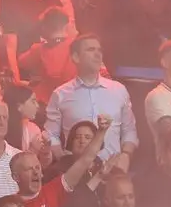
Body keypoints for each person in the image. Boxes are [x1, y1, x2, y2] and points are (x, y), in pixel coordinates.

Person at [44, 35, 137, 172]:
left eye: (99, 50)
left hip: (112, 171)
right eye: (91, 49)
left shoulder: (119, 90)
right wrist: (64, 160)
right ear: (76, 57)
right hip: (75, 174)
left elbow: (129, 130)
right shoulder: (61, 94)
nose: (98, 54)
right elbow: (51, 134)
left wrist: (126, 155)